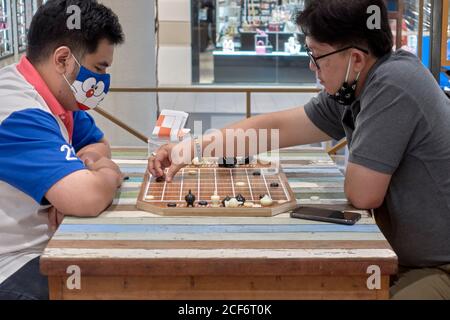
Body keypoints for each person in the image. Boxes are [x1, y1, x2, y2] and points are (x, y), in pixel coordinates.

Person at [148, 0, 450, 299]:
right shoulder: (356, 85)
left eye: (317, 56)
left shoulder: (393, 84)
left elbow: (363, 193)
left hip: (437, 267)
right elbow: (275, 129)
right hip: (397, 256)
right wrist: (192, 148)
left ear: (356, 59)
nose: (311, 67)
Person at [0, 0, 124, 300]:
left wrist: (88, 167)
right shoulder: (17, 111)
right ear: (64, 60)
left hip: (48, 243)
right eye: (99, 68)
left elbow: (97, 144)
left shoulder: (59, 98)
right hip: (14, 265)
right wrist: (108, 171)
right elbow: (88, 197)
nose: (103, 80)